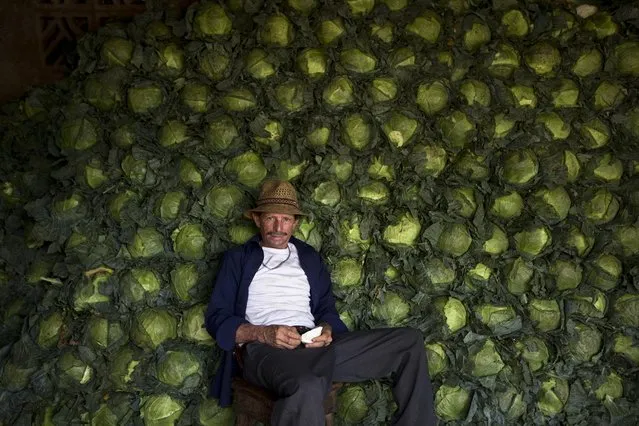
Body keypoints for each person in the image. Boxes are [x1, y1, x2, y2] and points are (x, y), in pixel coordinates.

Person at [205, 179, 437, 426]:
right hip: (267, 350)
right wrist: (264, 334)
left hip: (315, 346)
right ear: (258, 220)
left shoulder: (308, 258)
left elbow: (326, 309)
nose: (278, 227)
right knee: (306, 385)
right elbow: (217, 318)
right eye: (271, 218)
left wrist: (326, 329)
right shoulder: (238, 259)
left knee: (408, 341)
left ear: (295, 223)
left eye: (285, 219)